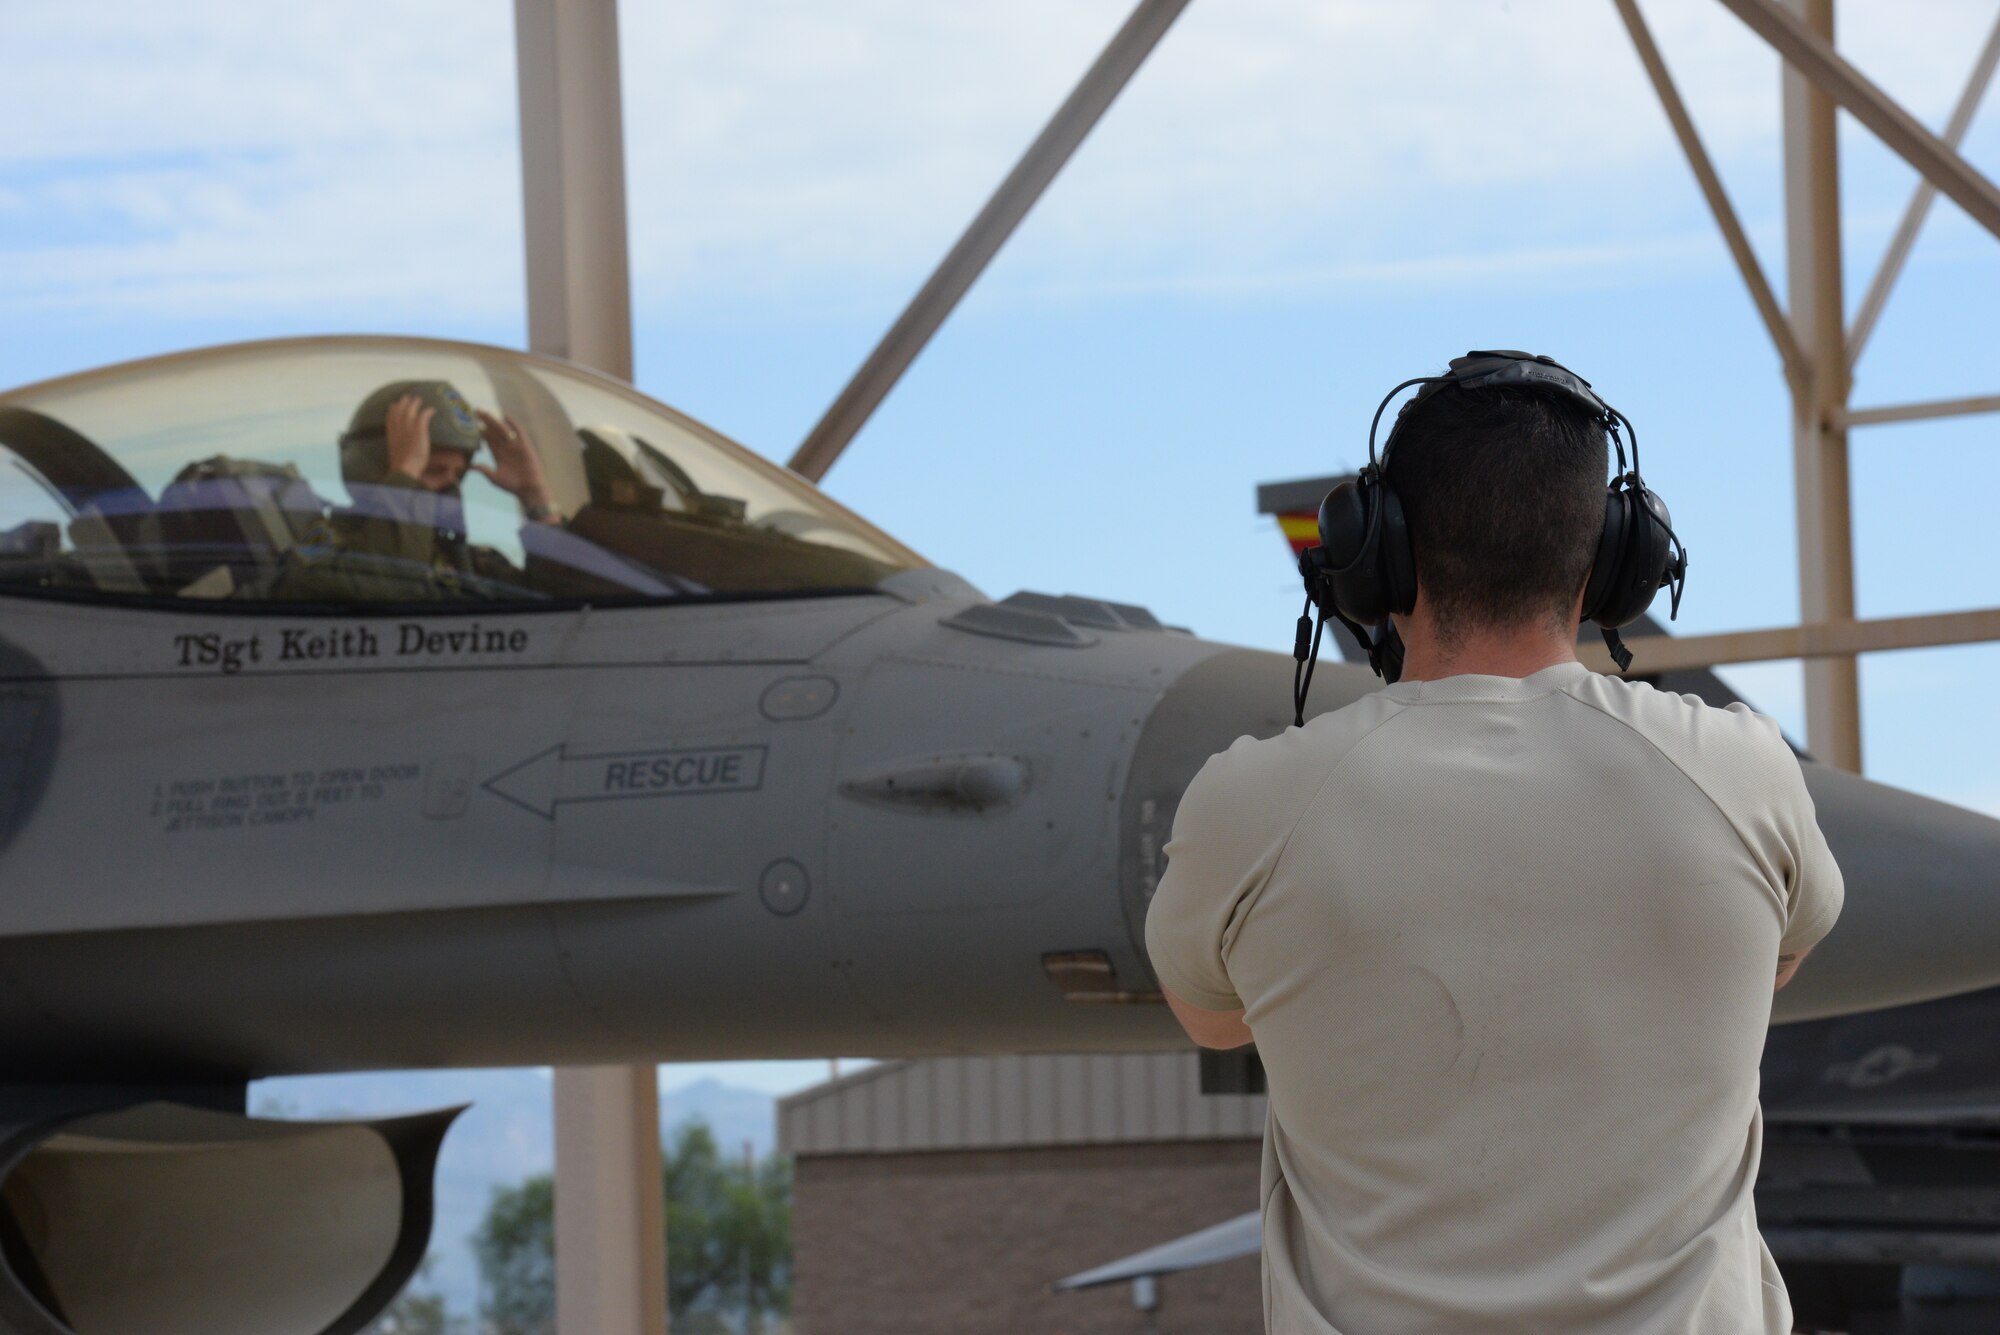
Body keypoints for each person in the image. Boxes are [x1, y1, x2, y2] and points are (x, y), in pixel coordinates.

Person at [1145, 359, 1843, 1334]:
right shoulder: (1739, 772)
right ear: (1610, 562)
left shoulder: (1250, 802)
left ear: (1375, 553)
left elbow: (1213, 1021)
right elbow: (1779, 960)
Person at [277, 380, 559, 601]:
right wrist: (404, 476)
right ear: (373, 469)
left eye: (458, 474)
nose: (451, 486)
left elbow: (568, 607)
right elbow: (389, 590)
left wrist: (536, 499)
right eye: (431, 470)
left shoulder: (464, 562)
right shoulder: (320, 552)